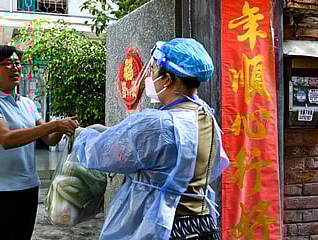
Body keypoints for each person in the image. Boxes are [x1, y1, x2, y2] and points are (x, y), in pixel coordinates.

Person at [73, 38, 230, 240]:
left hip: (165, 227)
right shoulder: (206, 116)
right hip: (203, 225)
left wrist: (82, 135)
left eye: (154, 70)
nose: (150, 76)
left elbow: (99, 154)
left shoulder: (158, 124)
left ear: (168, 79)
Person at [0, 45, 79, 239]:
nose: (15, 68)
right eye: (7, 64)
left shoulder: (27, 103)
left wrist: (65, 127)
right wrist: (53, 126)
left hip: (28, 187)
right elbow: (5, 139)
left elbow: (50, 140)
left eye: (17, 63)